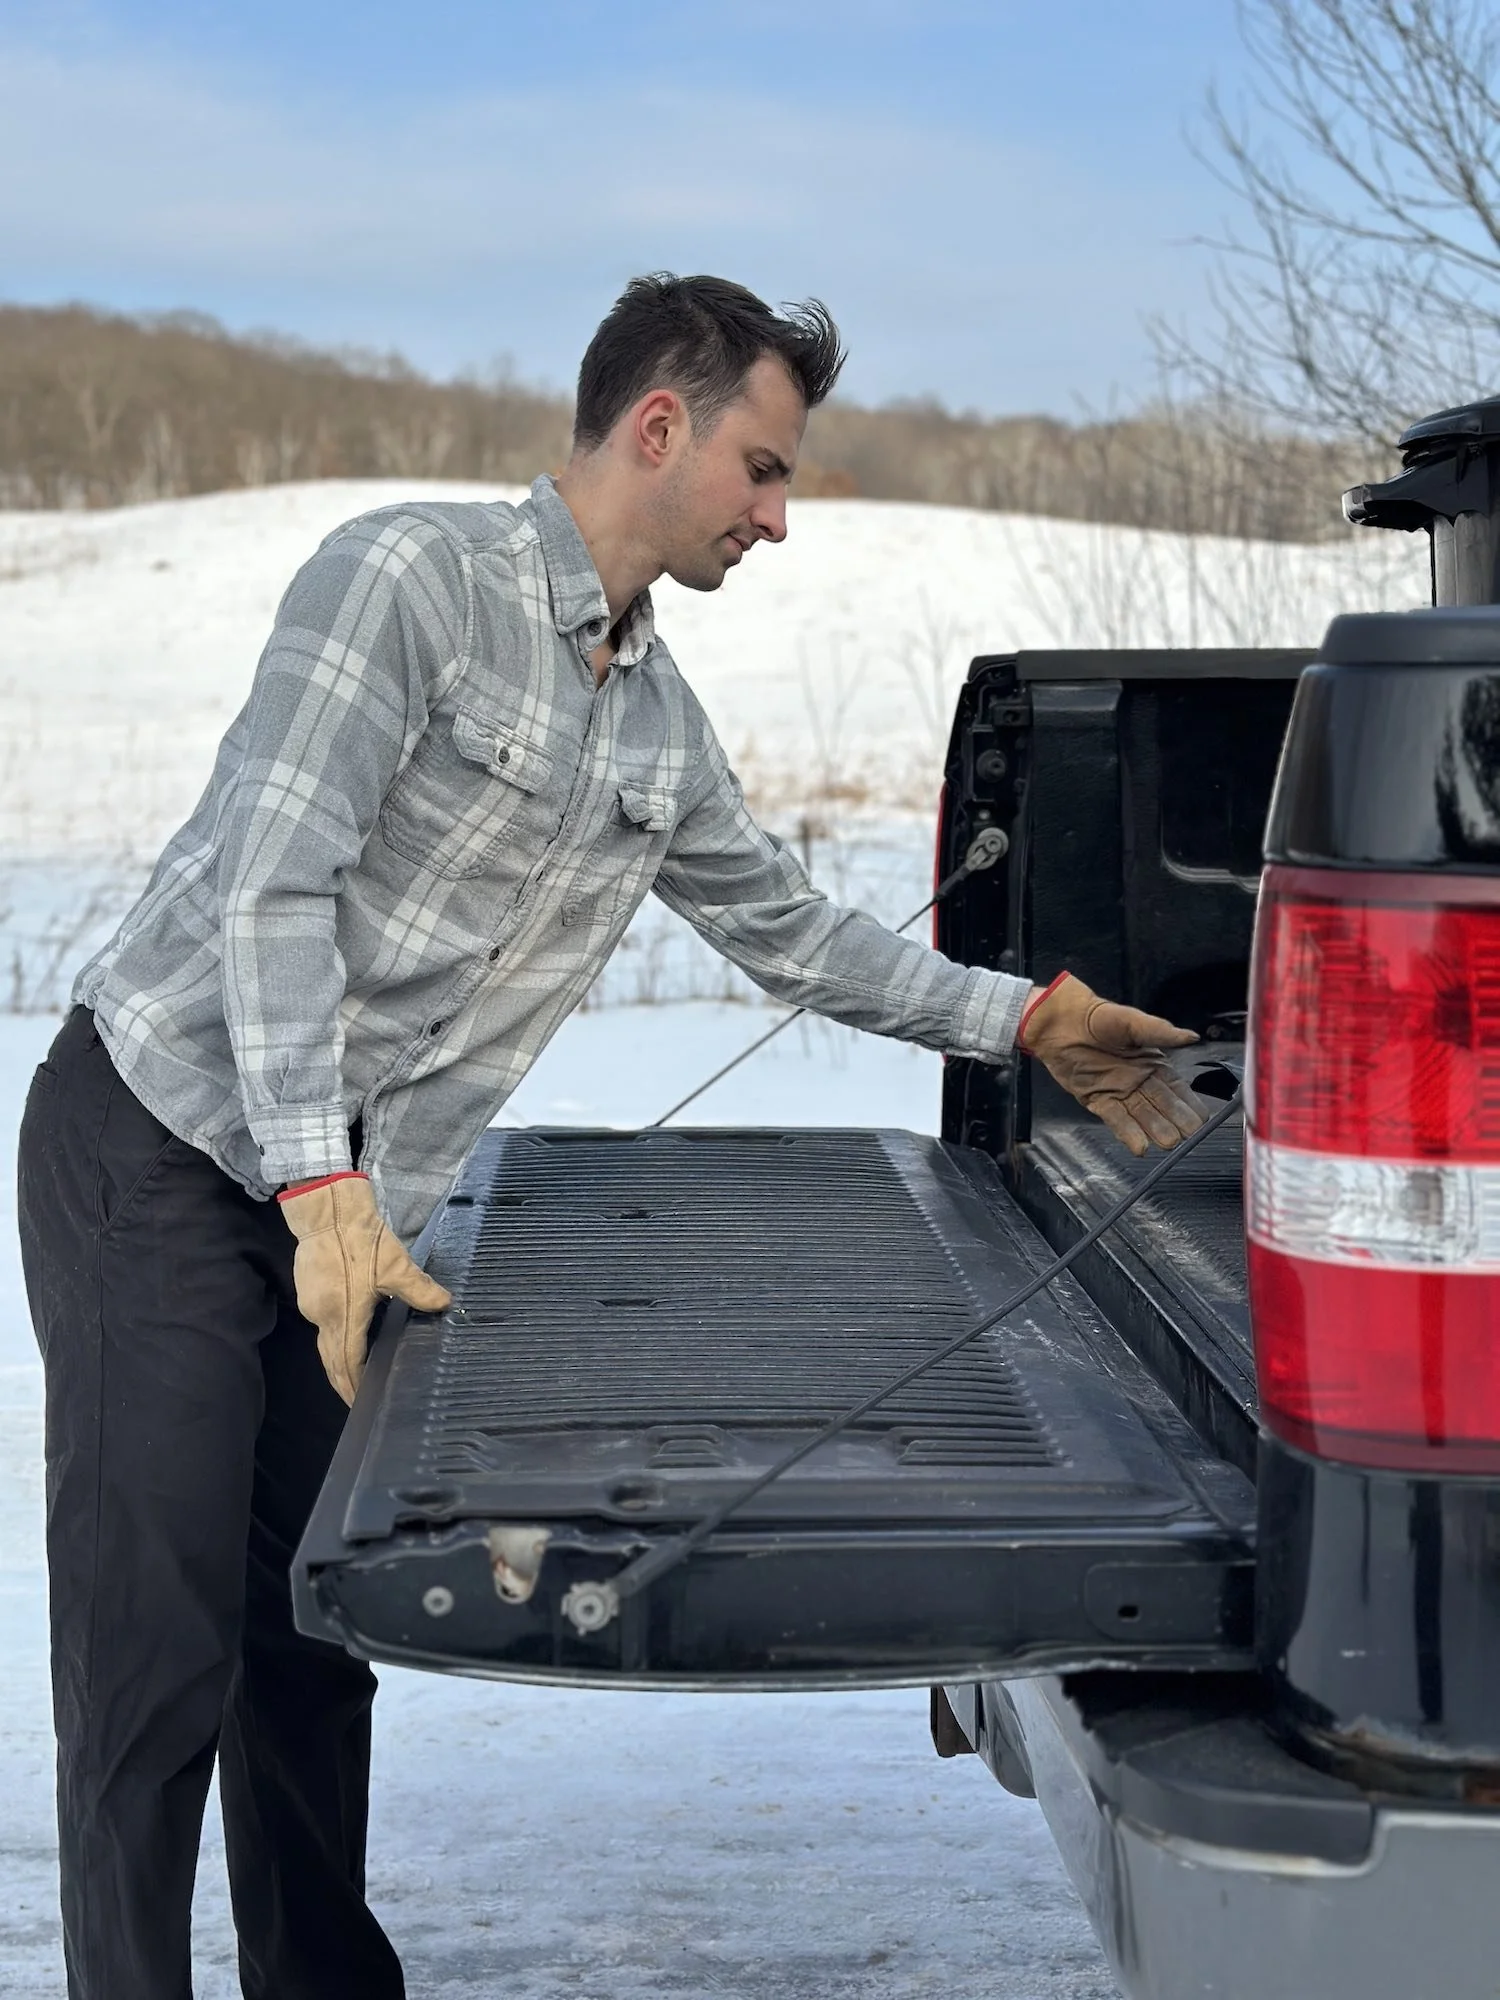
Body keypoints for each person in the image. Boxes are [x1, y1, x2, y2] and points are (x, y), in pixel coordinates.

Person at [16, 272, 1203, 2000]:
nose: (779, 519)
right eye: (766, 468)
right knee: (153, 1648)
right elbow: (278, 883)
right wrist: (318, 1184)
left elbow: (792, 931)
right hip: (162, 1145)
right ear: (664, 425)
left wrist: (1021, 1014)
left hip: (337, 1203)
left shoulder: (650, 718)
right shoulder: (405, 581)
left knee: (303, 1634)